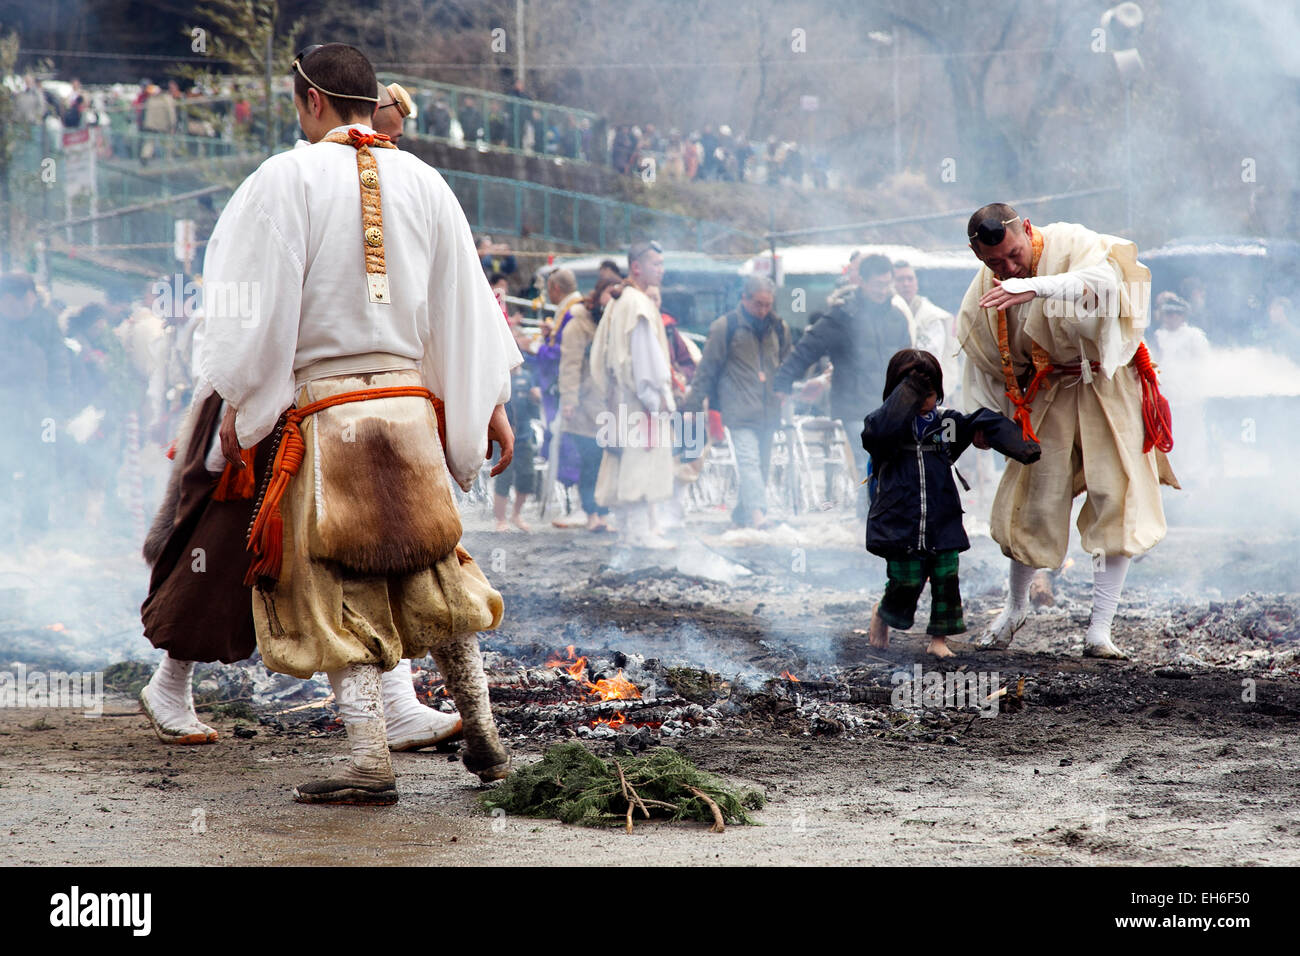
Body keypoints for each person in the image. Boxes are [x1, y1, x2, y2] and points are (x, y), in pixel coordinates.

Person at [176, 43, 521, 804]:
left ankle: (369, 759)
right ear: (372, 103)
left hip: (327, 420)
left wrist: (238, 397)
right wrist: (487, 402)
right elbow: (468, 304)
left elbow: (247, 303)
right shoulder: (427, 180)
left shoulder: (285, 177)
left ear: (309, 101)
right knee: (436, 569)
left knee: (332, 584)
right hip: (408, 414)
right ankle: (486, 736)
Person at [957, 203, 1177, 659]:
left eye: (1013, 254)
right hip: (1049, 390)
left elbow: (1107, 282)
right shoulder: (986, 283)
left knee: (1116, 500)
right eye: (994, 263)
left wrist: (1032, 286)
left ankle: (1100, 629)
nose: (1007, 267)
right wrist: (982, 419)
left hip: (1107, 383)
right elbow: (980, 356)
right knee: (1032, 499)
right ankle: (1014, 607)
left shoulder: (1073, 242)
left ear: (1028, 231)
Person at [863, 350, 1040, 658]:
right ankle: (883, 612)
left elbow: (980, 422)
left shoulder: (945, 423)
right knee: (906, 581)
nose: (922, 403)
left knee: (946, 579)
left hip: (941, 516)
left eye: (928, 395)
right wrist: (907, 395)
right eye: (911, 396)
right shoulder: (887, 427)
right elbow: (876, 432)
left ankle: (938, 640)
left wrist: (1011, 442)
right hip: (900, 518)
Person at [773, 253, 913, 515]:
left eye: (886, 285)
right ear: (861, 281)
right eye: (877, 285)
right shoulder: (842, 316)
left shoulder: (897, 318)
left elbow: (909, 362)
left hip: (891, 405)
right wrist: (783, 380)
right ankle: (870, 521)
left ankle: (884, 518)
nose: (882, 291)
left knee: (892, 463)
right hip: (855, 404)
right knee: (867, 462)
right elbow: (807, 349)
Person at [684, 275, 790, 529]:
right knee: (749, 461)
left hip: (769, 408)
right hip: (739, 407)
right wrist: (693, 405)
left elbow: (787, 364)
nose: (763, 310)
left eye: (768, 304)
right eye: (758, 304)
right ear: (745, 298)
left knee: (761, 466)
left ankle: (742, 515)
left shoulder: (779, 327)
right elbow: (707, 368)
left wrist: (787, 387)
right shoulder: (726, 326)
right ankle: (758, 516)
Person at [589, 240, 676, 549]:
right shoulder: (638, 304)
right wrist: (658, 401)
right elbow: (646, 363)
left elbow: (600, 356)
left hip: (620, 398)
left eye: (662, 264)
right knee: (640, 463)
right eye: (656, 264)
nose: (661, 271)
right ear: (637, 267)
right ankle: (638, 532)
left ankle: (629, 530)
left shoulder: (619, 299)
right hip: (639, 400)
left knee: (624, 460)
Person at [558, 275, 619, 532]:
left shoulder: (615, 322)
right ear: (598, 294)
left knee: (607, 460)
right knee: (591, 460)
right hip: (584, 406)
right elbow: (569, 365)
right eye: (608, 293)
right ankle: (592, 512)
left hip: (609, 405)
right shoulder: (578, 324)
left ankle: (603, 513)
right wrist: (569, 400)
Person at [892, 259, 959, 398]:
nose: (906, 284)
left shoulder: (931, 316)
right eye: (900, 279)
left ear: (916, 283)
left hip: (926, 387)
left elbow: (931, 355)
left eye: (910, 279)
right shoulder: (888, 312)